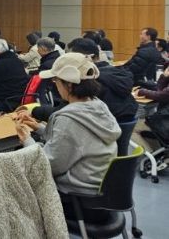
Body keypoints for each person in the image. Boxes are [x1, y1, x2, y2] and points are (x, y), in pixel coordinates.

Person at [15, 53, 121, 221]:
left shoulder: (69, 118)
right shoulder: (98, 107)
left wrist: (27, 140)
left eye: (56, 81)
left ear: (69, 85)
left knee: (13, 186)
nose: (55, 85)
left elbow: (47, 165)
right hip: (101, 196)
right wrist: (40, 128)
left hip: (77, 201)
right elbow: (75, 141)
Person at [32, 38, 137, 124]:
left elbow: (65, 112)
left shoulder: (87, 80)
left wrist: (34, 111)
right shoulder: (118, 74)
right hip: (121, 127)